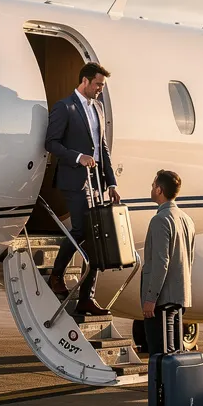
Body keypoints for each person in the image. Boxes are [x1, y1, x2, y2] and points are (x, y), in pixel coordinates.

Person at [45, 62, 122, 317]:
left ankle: (87, 298)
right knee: (80, 230)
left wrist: (111, 183)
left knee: (97, 238)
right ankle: (56, 275)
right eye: (99, 84)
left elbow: (102, 150)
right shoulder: (64, 107)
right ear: (85, 81)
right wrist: (78, 157)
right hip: (73, 180)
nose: (101, 89)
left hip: (96, 183)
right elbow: (51, 143)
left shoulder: (98, 108)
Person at [134, 169, 195, 406]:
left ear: (159, 189)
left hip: (160, 302)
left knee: (158, 362)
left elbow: (160, 264)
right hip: (178, 299)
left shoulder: (160, 221)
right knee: (174, 360)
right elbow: (187, 260)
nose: (150, 188)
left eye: (152, 185)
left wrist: (150, 299)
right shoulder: (186, 219)